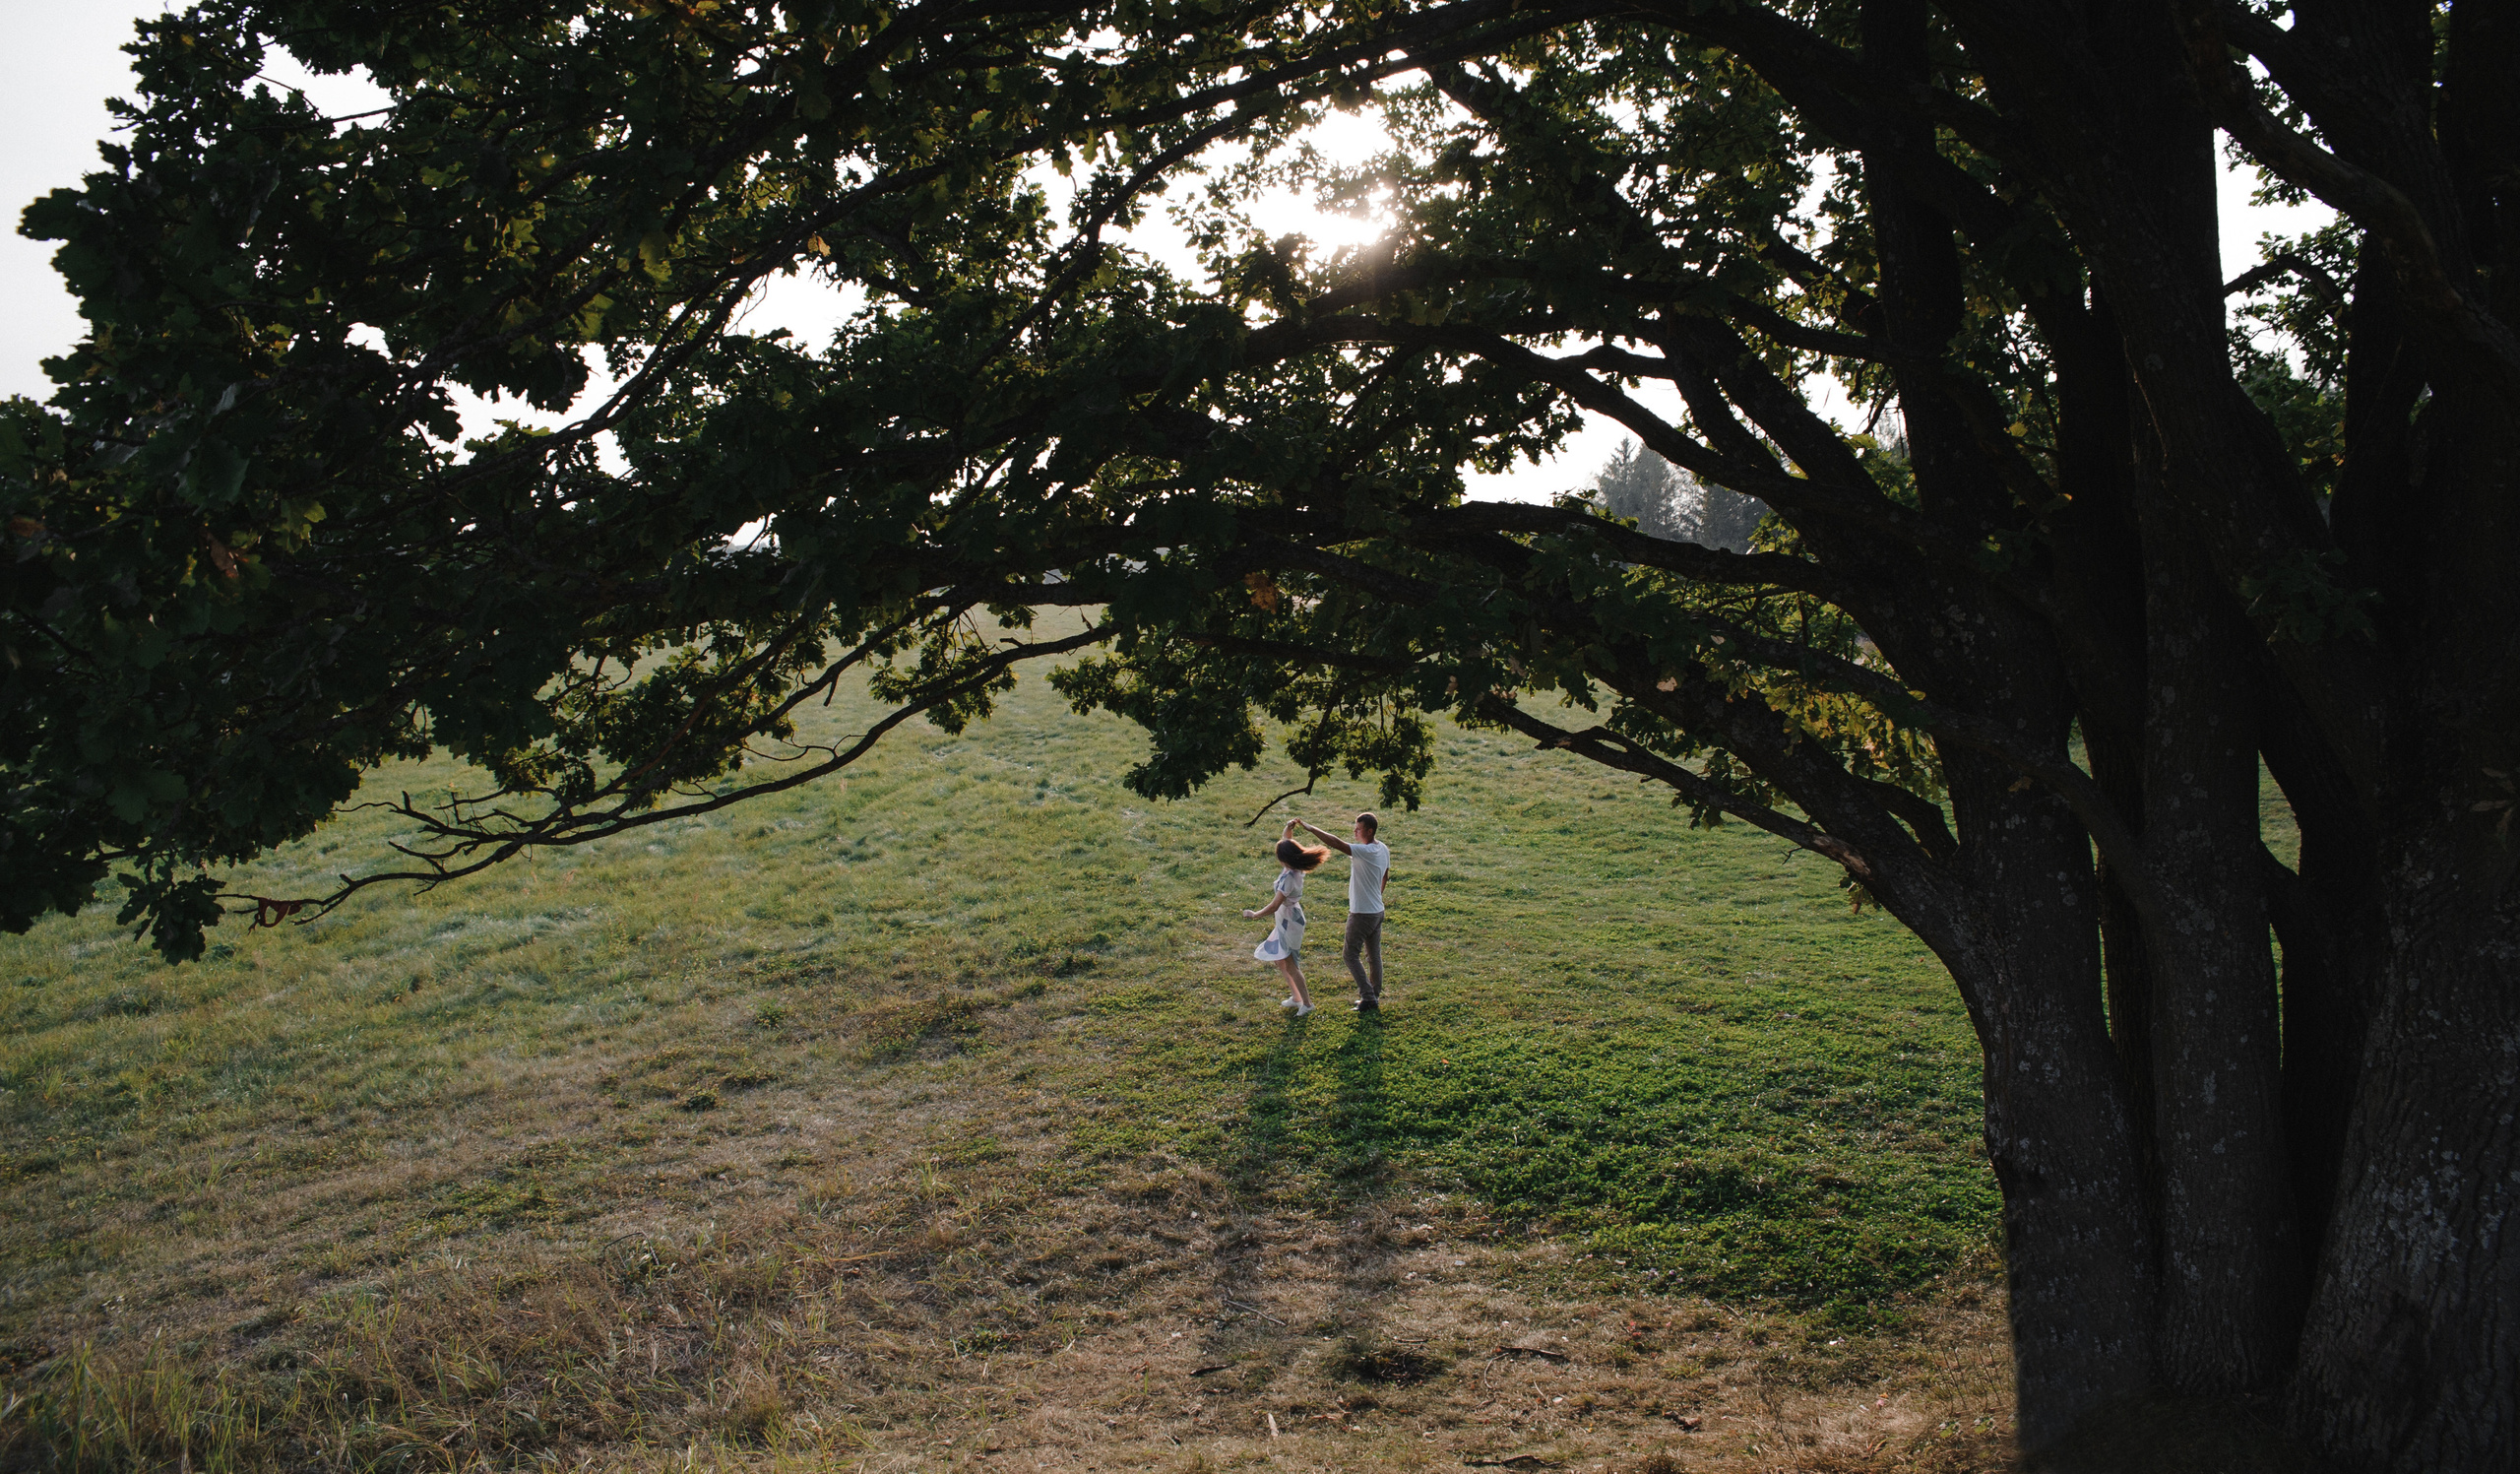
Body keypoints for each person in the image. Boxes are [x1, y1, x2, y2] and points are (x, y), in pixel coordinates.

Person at [1295, 811, 1391, 1012]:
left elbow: (1337, 843)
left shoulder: (1365, 851)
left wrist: (1311, 829)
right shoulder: (1382, 849)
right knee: (1374, 956)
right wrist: (1377, 896)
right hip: (1377, 911)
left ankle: (1368, 997)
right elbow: (1385, 876)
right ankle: (1374, 994)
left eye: (1358, 828)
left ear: (1369, 831)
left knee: (1350, 955)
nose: (1355, 831)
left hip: (1362, 914)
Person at [1244, 819, 1326, 1016]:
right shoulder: (1292, 868)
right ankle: (1296, 998)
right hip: (1286, 919)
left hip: (1290, 922)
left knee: (1291, 964)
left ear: (1284, 859)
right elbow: (1285, 841)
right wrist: (1289, 829)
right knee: (1280, 961)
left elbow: (1274, 905)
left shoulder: (1289, 879)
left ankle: (1307, 1003)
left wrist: (1254, 915)